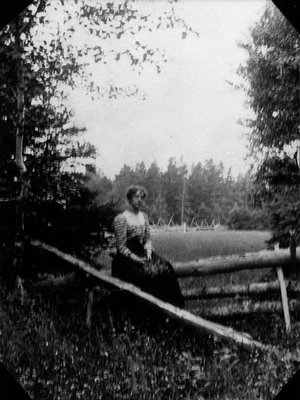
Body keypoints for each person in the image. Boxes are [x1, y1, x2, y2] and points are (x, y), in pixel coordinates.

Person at [112, 185, 184, 308]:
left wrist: (149, 252)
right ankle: (148, 311)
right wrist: (138, 260)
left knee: (166, 267)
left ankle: (173, 308)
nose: (140, 200)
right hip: (126, 257)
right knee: (143, 277)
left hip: (142, 252)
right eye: (136, 197)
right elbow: (121, 246)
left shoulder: (144, 216)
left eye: (142, 197)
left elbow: (147, 239)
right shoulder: (121, 218)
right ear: (129, 199)